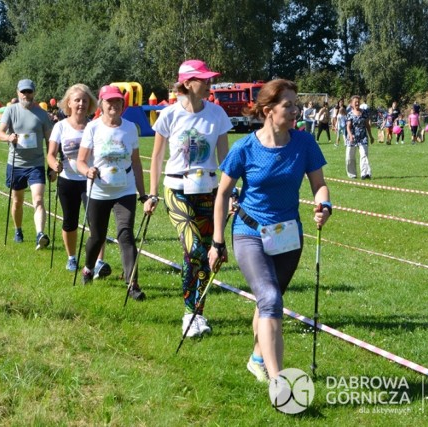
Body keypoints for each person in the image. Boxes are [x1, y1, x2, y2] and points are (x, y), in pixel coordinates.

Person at [208, 79, 331, 383]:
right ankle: (279, 382)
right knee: (271, 299)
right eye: (288, 105)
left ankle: (257, 357)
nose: (296, 111)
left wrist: (323, 205)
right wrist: (217, 241)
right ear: (268, 111)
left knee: (268, 302)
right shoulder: (245, 148)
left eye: (296, 104)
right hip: (249, 232)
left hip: (288, 234)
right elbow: (222, 194)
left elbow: (319, 185)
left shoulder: (304, 143)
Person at [144, 59, 232, 337]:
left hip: (208, 190)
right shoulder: (169, 115)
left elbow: (225, 159)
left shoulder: (217, 114)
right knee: (194, 250)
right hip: (176, 189)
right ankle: (189, 314)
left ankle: (196, 315)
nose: (209, 84)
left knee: (206, 255)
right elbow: (157, 156)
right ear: (188, 83)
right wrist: (153, 193)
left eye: (209, 79)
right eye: (204, 79)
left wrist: (228, 193)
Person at [76, 85, 147, 300]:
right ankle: (88, 268)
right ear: (101, 104)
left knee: (126, 234)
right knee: (97, 237)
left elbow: (136, 162)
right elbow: (80, 160)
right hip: (98, 189)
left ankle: (132, 283)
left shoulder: (130, 128)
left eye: (118, 101)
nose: (114, 105)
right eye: (109, 102)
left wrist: (143, 194)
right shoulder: (93, 128)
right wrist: (87, 170)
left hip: (125, 188)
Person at [47, 84, 111, 276]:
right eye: (77, 100)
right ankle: (71, 258)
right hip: (67, 180)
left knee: (96, 223)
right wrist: (54, 165)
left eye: (84, 100)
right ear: (69, 103)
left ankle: (98, 262)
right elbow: (50, 154)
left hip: (91, 181)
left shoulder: (94, 125)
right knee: (70, 222)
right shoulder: (60, 126)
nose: (81, 104)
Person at [0, 79, 53, 249]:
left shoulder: (42, 114)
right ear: (18, 93)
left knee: (38, 199)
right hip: (16, 164)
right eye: (23, 92)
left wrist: (51, 164)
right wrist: (8, 137)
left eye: (29, 92)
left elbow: (50, 140)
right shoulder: (11, 110)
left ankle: (40, 234)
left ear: (34, 93)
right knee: (17, 201)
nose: (26, 95)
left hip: (36, 164)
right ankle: (18, 229)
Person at [346, 95, 374, 179]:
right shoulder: (350, 114)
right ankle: (352, 174)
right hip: (353, 137)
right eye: (355, 102)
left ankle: (365, 174)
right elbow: (348, 126)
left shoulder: (364, 112)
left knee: (364, 154)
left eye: (358, 101)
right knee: (350, 157)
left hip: (363, 137)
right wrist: (350, 135)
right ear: (351, 104)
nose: (357, 103)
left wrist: (371, 136)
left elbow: (367, 125)